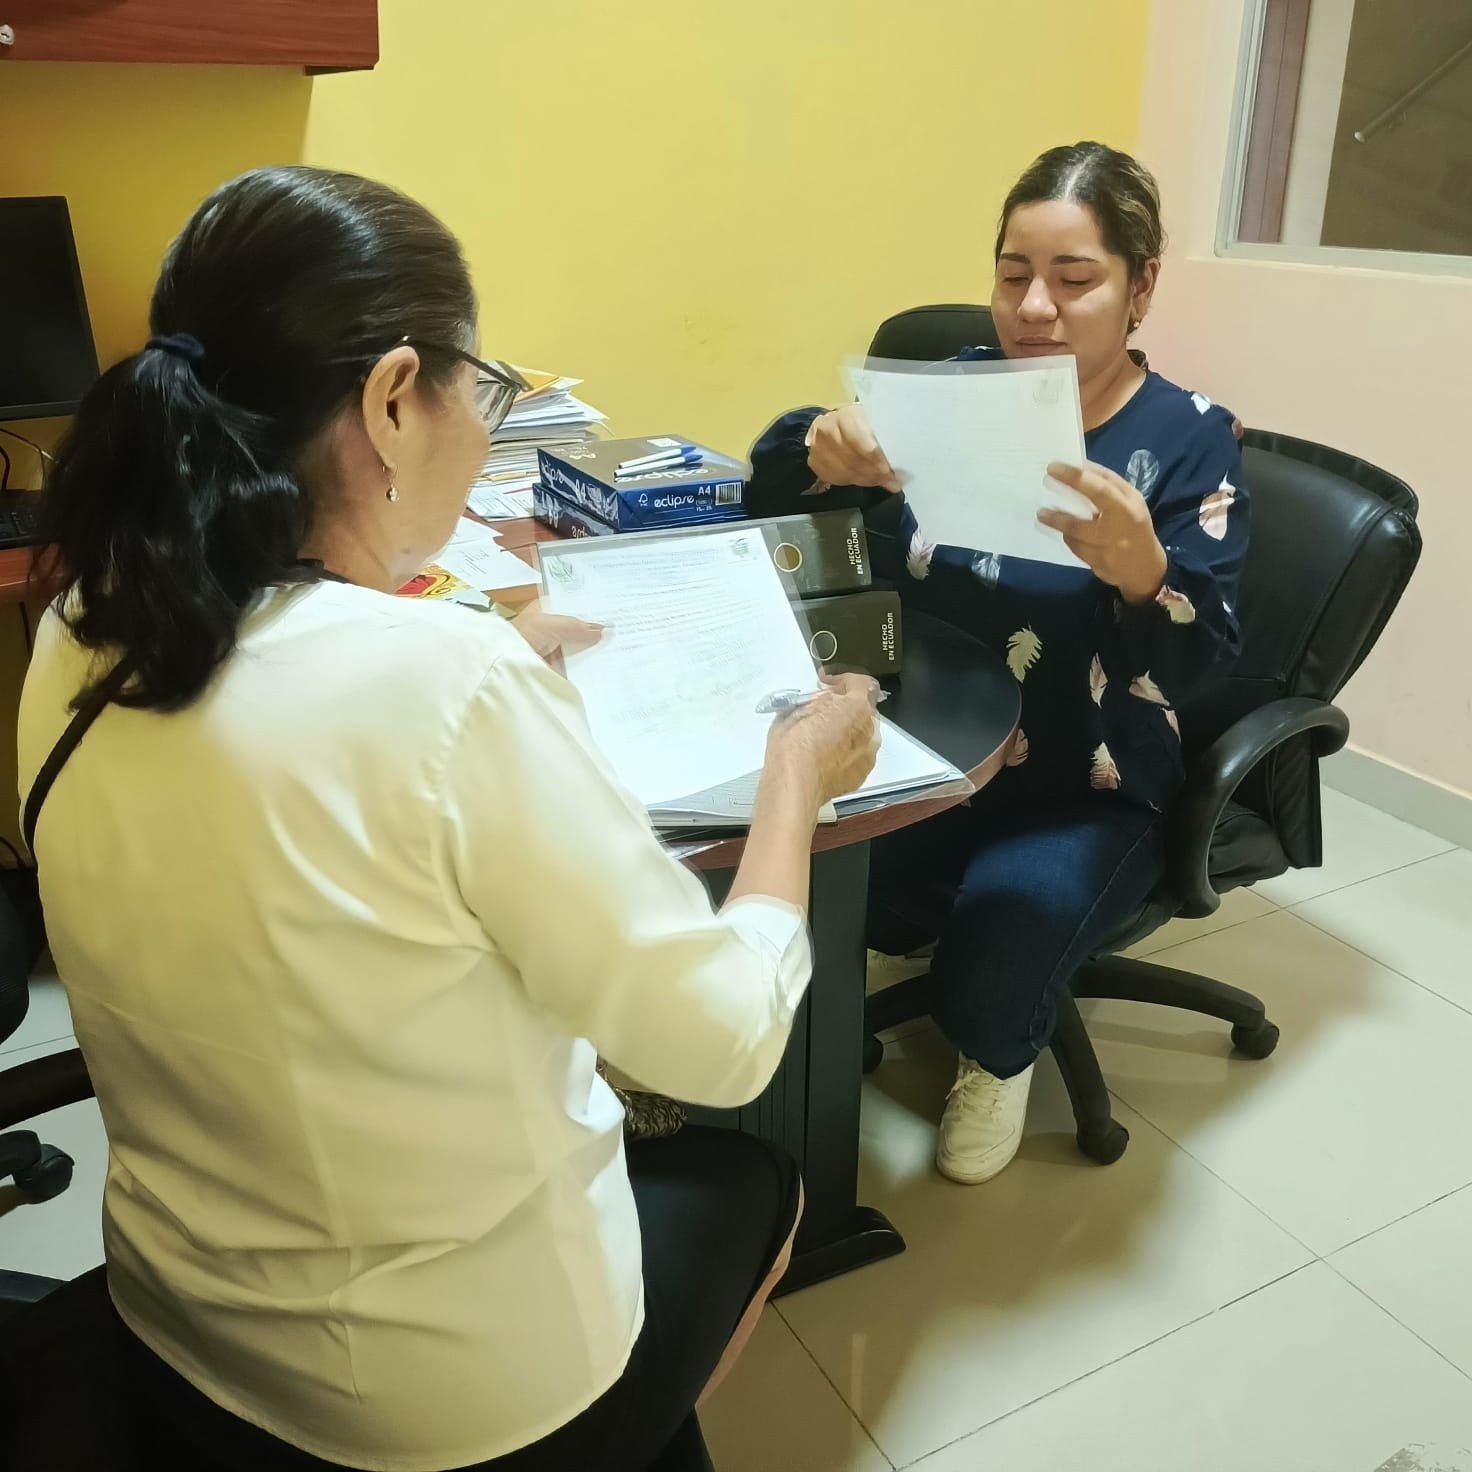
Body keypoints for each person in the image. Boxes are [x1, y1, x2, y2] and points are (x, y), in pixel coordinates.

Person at [18, 166, 880, 1472]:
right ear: (389, 400)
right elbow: (725, 1041)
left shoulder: (79, 626)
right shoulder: (442, 681)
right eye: (480, 389)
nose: (480, 425)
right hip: (447, 1406)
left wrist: (487, 662)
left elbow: (279, 773)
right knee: (753, 1179)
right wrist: (794, 781)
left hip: (181, 1324)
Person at [745, 141, 1249, 1186]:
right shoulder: (958, 389)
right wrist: (817, 445)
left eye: (1074, 279)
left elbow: (1204, 658)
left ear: (1140, 286)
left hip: (1086, 778)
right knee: (801, 885)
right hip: (924, 742)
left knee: (988, 972)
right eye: (1013, 274)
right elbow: (783, 502)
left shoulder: (1188, 437)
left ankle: (999, 1049)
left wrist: (1144, 574)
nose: (1033, 308)